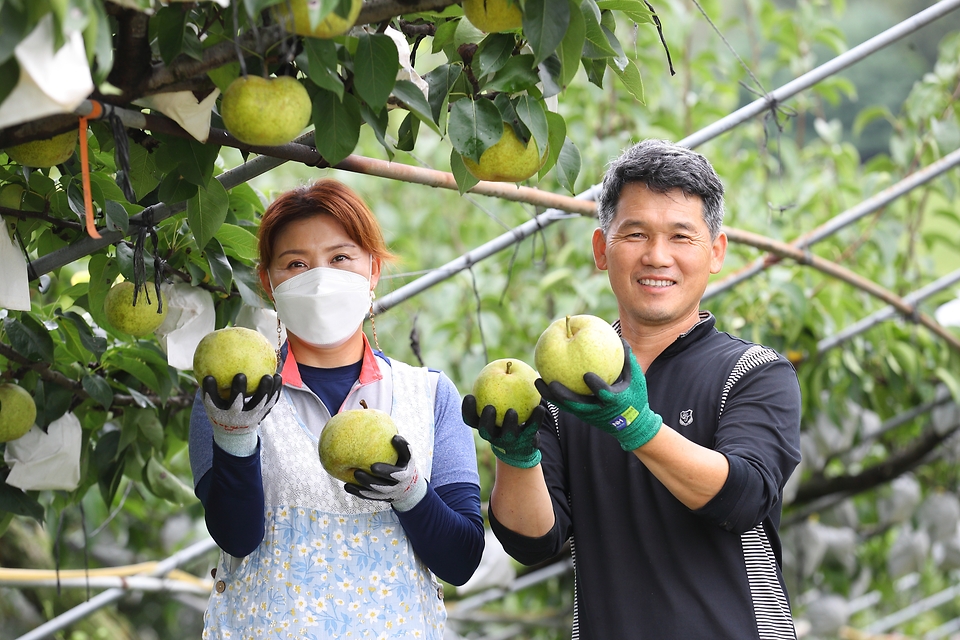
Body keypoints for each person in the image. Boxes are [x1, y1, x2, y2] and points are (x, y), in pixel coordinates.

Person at [463, 139, 802, 639]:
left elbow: (743, 497)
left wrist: (635, 424)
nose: (657, 256)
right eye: (636, 233)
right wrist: (516, 457)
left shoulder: (753, 371)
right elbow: (533, 542)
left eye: (681, 236)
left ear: (716, 252)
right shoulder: (564, 394)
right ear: (602, 250)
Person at [189, 179, 484, 639]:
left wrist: (410, 492)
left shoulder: (428, 395)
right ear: (269, 284)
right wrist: (235, 435)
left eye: (340, 257)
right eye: (296, 264)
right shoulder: (231, 395)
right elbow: (236, 538)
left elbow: (461, 560)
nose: (320, 278)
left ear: (373, 271)